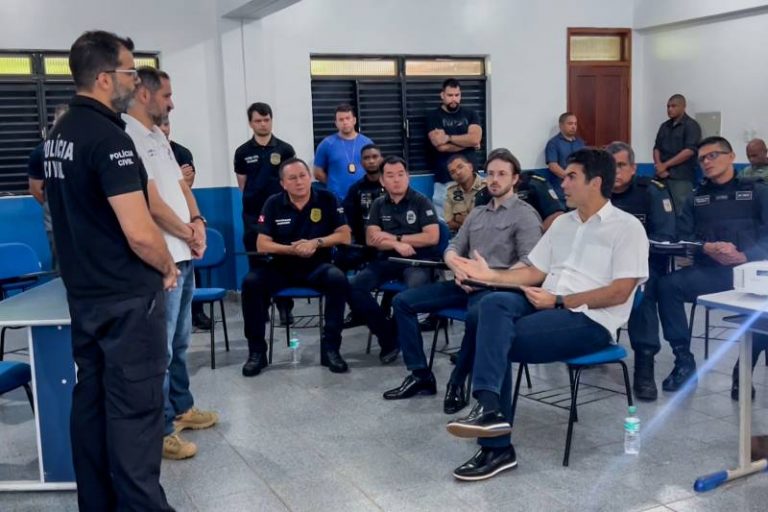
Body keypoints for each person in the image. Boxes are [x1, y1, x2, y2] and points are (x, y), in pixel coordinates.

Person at [445, 148, 648, 481]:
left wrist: (558, 301)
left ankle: (496, 446)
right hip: (545, 299)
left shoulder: (626, 229)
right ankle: (490, 410)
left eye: (571, 177)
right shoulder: (562, 224)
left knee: (498, 341)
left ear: (595, 182)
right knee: (490, 305)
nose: (562, 184)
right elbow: (533, 271)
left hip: (588, 318)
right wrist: (489, 277)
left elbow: (620, 292)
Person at [44, 30, 176, 510]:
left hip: (86, 296)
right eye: (127, 72)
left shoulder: (60, 133)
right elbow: (139, 231)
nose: (134, 82)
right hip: (125, 300)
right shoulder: (110, 139)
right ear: (103, 78)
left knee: (94, 402)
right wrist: (166, 264)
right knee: (135, 413)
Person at [384, 149, 542, 415]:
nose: (494, 179)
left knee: (477, 316)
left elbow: (530, 263)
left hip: (498, 289)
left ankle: (457, 382)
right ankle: (421, 375)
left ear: (515, 179)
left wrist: (487, 277)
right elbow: (453, 247)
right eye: (490, 174)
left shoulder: (525, 215)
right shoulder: (477, 213)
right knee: (403, 302)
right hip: (465, 283)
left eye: (502, 174)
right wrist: (458, 268)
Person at [124, 67, 219, 461]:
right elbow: (150, 203)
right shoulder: (127, 136)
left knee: (180, 342)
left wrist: (197, 225)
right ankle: (161, 429)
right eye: (167, 95)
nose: (172, 103)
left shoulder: (158, 137)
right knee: (159, 349)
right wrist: (185, 231)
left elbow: (180, 187)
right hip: (160, 258)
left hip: (184, 253)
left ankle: (181, 406)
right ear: (144, 94)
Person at [656, 136, 768, 397]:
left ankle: (744, 369)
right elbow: (682, 237)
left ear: (731, 157)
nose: (706, 162)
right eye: (702, 158)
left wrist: (745, 255)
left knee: (765, 307)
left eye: (713, 155)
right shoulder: (696, 198)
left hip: (753, 274)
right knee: (667, 286)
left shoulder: (758, 191)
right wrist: (705, 248)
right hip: (711, 273)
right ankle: (683, 361)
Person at [240, 158, 352, 377]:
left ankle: (331, 349)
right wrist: (292, 250)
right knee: (251, 282)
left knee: (338, 279)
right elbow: (262, 244)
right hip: (282, 267)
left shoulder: (327, 199)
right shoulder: (273, 203)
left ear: (310, 177)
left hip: (318, 265)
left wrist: (316, 243)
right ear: (283, 183)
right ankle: (257, 353)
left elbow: (345, 235)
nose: (299, 182)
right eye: (292, 178)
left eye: (303, 176)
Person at [348, 156, 440, 364]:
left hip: (416, 260)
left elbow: (431, 237)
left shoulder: (420, 201)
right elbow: (372, 239)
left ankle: (396, 337)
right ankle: (388, 336)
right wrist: (396, 244)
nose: (396, 180)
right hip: (386, 259)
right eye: (390, 175)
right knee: (354, 287)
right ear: (382, 181)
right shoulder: (378, 205)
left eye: (401, 174)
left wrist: (393, 237)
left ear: (408, 177)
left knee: (411, 292)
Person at [605, 141, 676, 401]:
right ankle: (588, 341)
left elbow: (664, 236)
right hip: (602, 267)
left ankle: (644, 366)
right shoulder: (597, 195)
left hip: (642, 267)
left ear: (633, 168)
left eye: (621, 165)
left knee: (641, 292)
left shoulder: (651, 192)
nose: (616, 172)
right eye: (610, 167)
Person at [234, 102, 296, 324]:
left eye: (266, 119)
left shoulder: (285, 149)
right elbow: (242, 184)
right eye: (258, 120)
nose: (263, 124)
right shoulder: (242, 152)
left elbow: (291, 179)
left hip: (281, 214)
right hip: (253, 216)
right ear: (251, 123)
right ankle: (262, 307)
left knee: (282, 260)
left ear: (271, 120)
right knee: (257, 263)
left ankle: (285, 308)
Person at [159, 114, 212, 331]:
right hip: (162, 229)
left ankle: (197, 313)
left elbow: (186, 184)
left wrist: (196, 222)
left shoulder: (180, 152)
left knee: (190, 273)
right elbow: (157, 195)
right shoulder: (141, 151)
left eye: (167, 124)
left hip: (184, 223)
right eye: (160, 124)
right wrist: (177, 178)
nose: (164, 129)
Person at [426, 78, 482, 218]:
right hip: (445, 179)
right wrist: (467, 143)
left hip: (472, 180)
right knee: (446, 221)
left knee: (476, 217)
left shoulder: (470, 114)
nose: (454, 99)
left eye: (457, 95)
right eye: (450, 95)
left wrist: (449, 138)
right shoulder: (434, 116)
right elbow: (440, 146)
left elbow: (475, 138)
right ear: (442, 95)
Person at [28, 104, 68, 271]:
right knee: (61, 266)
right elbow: (35, 189)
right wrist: (53, 204)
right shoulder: (40, 152)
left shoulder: (81, 148)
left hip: (82, 221)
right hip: (56, 222)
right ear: (54, 122)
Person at [313, 104, 374, 200]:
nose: (345, 122)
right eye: (341, 120)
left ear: (354, 120)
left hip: (363, 197)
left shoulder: (367, 143)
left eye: (347, 118)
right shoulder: (327, 144)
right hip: (337, 199)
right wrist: (333, 185)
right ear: (336, 123)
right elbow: (317, 172)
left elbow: (375, 169)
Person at [653, 94, 702, 210]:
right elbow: (656, 148)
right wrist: (659, 166)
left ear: (683, 107)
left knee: (682, 210)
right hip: (661, 177)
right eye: (668, 106)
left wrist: (665, 165)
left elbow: (689, 151)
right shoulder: (664, 126)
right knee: (662, 210)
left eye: (673, 106)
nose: (670, 109)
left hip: (681, 177)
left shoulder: (691, 125)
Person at [475, 171, 565, 232]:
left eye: (502, 173)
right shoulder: (484, 194)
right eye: (491, 173)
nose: (496, 179)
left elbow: (556, 214)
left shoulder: (534, 185)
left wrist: (535, 236)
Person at [544, 112, 585, 201]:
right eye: (570, 124)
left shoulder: (580, 143)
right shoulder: (553, 143)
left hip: (580, 187)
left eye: (575, 124)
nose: (573, 126)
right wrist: (570, 178)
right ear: (561, 125)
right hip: (561, 188)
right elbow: (553, 166)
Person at [444, 154, 485, 232]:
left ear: (470, 167)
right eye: (453, 172)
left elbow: (487, 221)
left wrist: (459, 218)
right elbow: (449, 222)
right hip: (461, 236)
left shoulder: (486, 187)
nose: (458, 172)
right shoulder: (451, 191)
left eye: (460, 167)